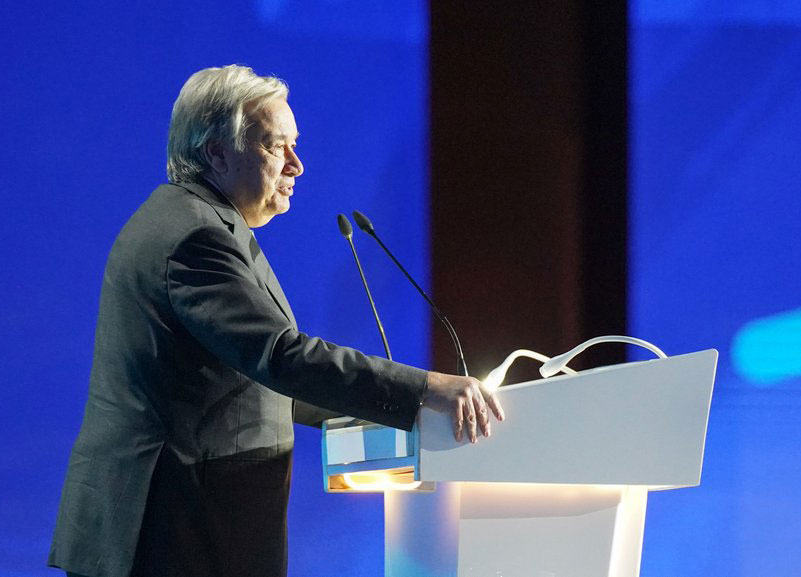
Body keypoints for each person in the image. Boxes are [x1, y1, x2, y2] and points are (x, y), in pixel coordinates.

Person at [48, 64, 504, 577]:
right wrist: (425, 389)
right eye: (275, 146)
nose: (297, 165)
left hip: (185, 527)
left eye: (295, 144)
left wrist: (399, 411)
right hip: (174, 531)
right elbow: (279, 357)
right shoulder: (194, 237)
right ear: (217, 152)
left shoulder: (198, 220)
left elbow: (253, 381)